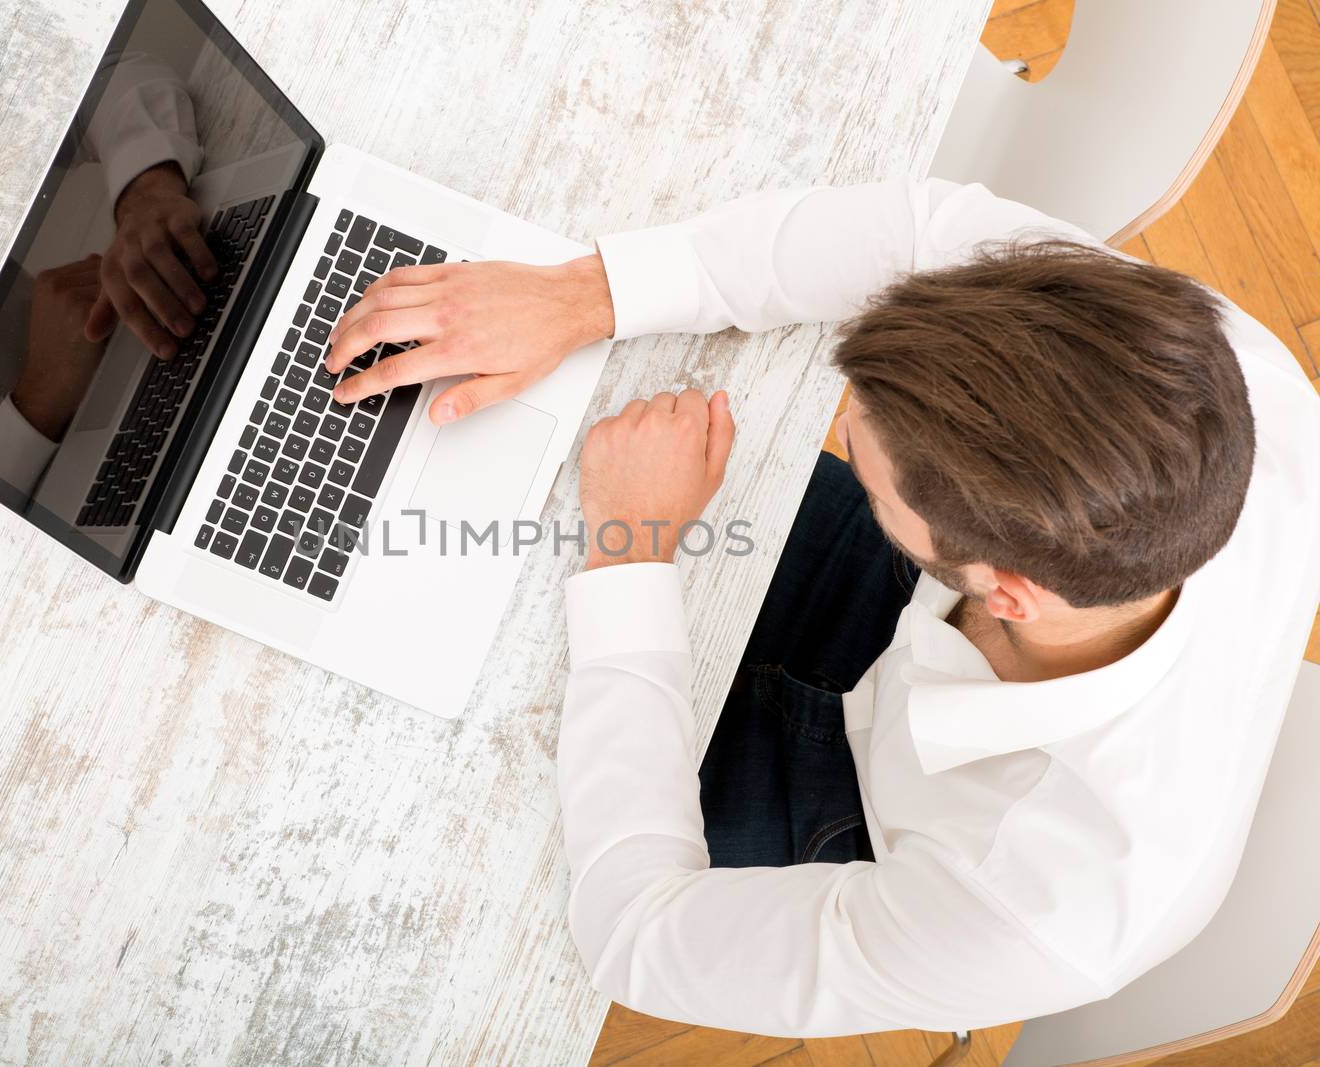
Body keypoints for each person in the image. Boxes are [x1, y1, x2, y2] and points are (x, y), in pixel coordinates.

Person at [320, 179, 1320, 1035]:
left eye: (862, 459)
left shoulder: (1033, 907)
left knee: (440, 791)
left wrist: (631, 555)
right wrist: (581, 295)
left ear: (1007, 588)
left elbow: (632, 931)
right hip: (917, 619)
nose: (837, 425)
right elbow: (923, 228)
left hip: (874, 824)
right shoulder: (1221, 384)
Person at [0, 51, 214, 494]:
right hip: (67, 516)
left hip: (142, 344)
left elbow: (108, 79)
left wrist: (145, 197)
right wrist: (38, 403)